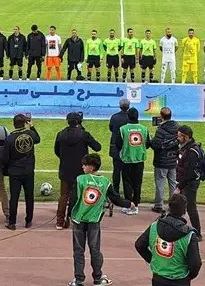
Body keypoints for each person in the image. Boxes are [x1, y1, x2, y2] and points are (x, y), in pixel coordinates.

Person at [68, 153, 132, 286]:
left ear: (91, 167)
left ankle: (78, 279)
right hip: (94, 221)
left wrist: (69, 216)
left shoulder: (80, 179)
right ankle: (97, 278)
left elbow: (73, 199)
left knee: (78, 250)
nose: (83, 167)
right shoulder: (105, 182)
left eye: (85, 165)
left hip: (79, 220)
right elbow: (115, 199)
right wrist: (128, 204)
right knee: (95, 249)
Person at [134, 193, 202, 286]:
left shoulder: (154, 226)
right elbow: (195, 264)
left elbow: (139, 245)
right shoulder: (189, 235)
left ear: (169, 207)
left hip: (158, 278)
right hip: (180, 280)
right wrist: (188, 276)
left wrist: (152, 260)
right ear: (184, 211)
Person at [54, 112, 101, 230]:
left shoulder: (61, 134)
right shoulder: (84, 135)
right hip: (81, 170)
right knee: (80, 195)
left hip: (65, 169)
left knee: (64, 196)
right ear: (79, 121)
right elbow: (97, 147)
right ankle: (76, 218)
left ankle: (60, 221)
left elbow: (56, 151)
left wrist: (64, 158)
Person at [3, 113, 41, 230]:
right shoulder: (30, 134)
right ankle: (28, 221)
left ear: (13, 124)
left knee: (14, 197)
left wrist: (6, 170)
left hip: (15, 171)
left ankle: (12, 222)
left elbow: (5, 157)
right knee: (29, 196)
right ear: (25, 123)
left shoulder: (10, 138)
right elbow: (38, 139)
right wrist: (32, 126)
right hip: (29, 170)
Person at [116, 107, 150, 214]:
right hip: (139, 159)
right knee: (137, 182)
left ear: (128, 117)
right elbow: (148, 144)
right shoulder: (144, 129)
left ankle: (129, 205)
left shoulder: (123, 129)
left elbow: (117, 144)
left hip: (126, 159)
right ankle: (136, 204)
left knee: (127, 182)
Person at [174, 126, 202, 240]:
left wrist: (179, 187)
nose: (177, 138)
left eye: (180, 136)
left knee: (191, 207)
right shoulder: (185, 147)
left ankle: (198, 233)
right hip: (184, 181)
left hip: (189, 183)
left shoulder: (192, 151)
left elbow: (189, 172)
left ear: (186, 137)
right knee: (179, 206)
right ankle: (179, 229)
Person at [151, 108, 179, 213]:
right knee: (173, 184)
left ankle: (159, 205)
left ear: (161, 116)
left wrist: (151, 140)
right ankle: (174, 205)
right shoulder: (177, 128)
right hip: (172, 161)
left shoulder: (160, 130)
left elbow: (156, 145)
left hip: (161, 161)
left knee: (160, 183)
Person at [108, 99, 130, 194]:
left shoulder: (115, 117)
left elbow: (111, 128)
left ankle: (115, 191)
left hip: (116, 147)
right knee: (126, 171)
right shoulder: (130, 118)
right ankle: (127, 192)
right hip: (127, 147)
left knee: (116, 170)